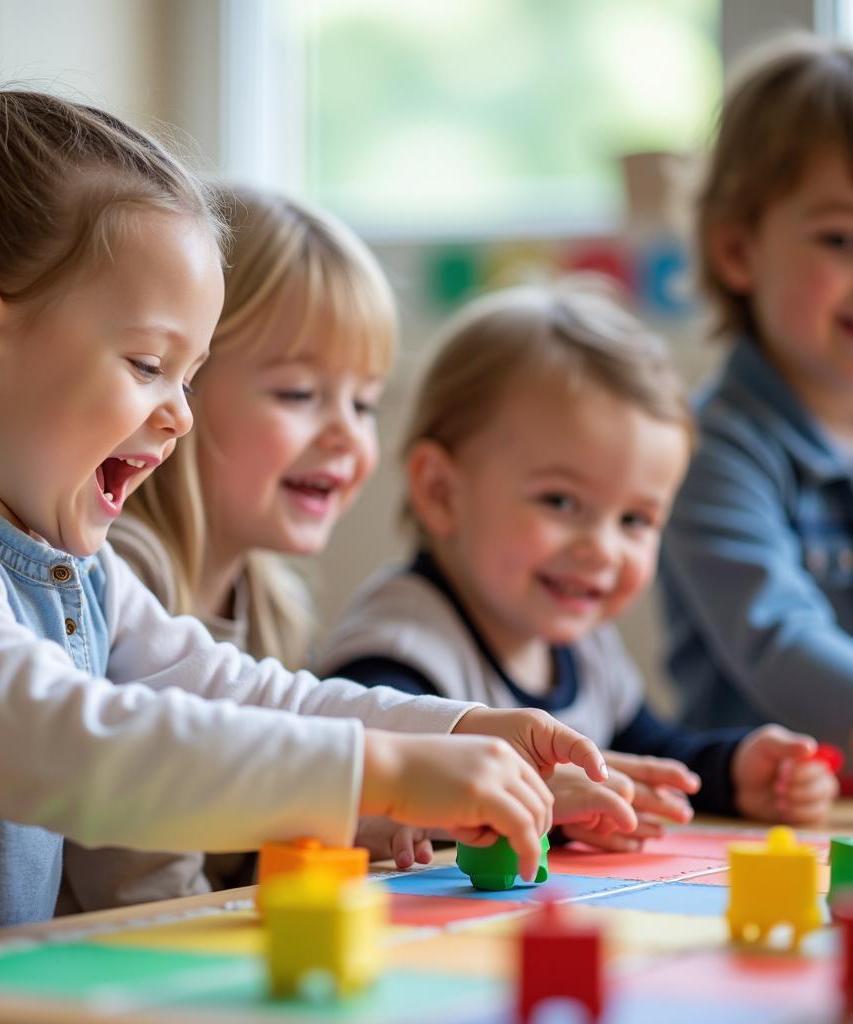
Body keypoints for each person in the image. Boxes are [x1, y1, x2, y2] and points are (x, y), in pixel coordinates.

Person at [0, 68, 613, 951]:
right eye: (146, 365)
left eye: (190, 376)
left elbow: (239, 694)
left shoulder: (77, 568)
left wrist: (466, 729)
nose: (181, 415)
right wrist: (383, 771)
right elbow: (70, 750)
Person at [321, 281, 838, 849]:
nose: (603, 549)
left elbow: (648, 755)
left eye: (635, 521)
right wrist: (540, 800)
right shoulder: (400, 645)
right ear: (442, 492)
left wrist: (731, 772)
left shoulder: (583, 646)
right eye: (561, 502)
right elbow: (354, 789)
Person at [61, 183, 403, 908]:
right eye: (299, 394)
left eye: (365, 403)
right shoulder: (122, 576)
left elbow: (242, 827)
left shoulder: (272, 601)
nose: (347, 433)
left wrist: (346, 818)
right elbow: (135, 879)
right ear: (181, 387)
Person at [658, 33, 853, 765]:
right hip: (747, 819)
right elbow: (778, 640)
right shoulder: (714, 446)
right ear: (738, 252)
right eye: (838, 238)